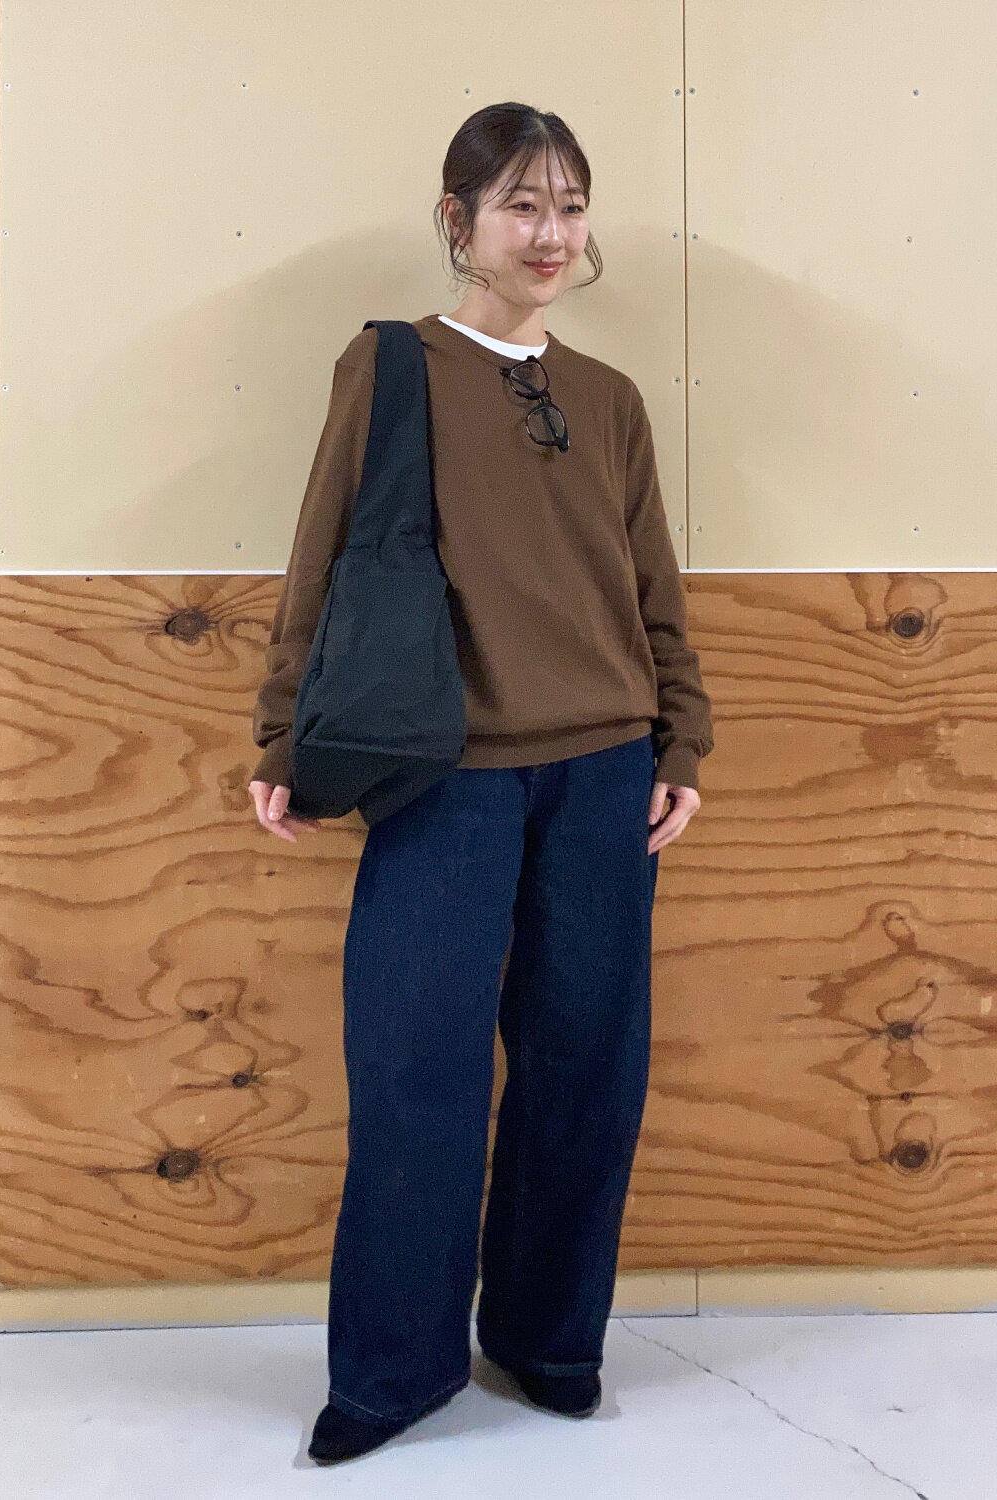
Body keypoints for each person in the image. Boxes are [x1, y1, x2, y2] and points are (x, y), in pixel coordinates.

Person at [248, 101, 714, 1465]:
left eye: (569, 204)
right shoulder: (392, 368)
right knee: (414, 1075)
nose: (550, 233)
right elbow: (323, 553)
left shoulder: (611, 399)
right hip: (442, 777)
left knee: (586, 1075)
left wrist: (681, 740)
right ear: (459, 221)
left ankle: (549, 1340)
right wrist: (282, 734)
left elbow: (653, 589)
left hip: (604, 774)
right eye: (521, 204)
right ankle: (392, 1373)